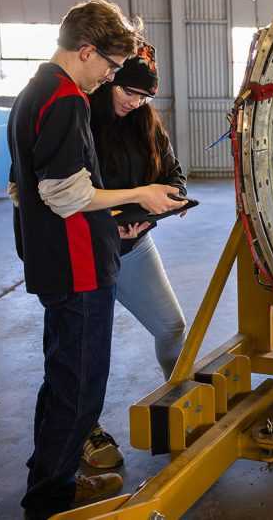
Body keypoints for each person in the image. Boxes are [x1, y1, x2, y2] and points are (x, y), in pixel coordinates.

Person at [7, 0, 183, 520]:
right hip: (77, 264)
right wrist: (143, 196)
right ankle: (52, 503)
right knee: (79, 391)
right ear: (87, 52)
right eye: (109, 68)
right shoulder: (65, 101)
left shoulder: (35, 90)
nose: (107, 78)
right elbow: (66, 194)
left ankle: (50, 480)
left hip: (56, 263)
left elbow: (29, 188)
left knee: (62, 379)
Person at [80, 43, 188, 470]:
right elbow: (70, 195)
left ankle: (179, 399)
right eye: (128, 90)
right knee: (87, 349)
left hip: (135, 246)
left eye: (144, 96)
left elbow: (175, 179)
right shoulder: (82, 119)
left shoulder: (147, 125)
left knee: (171, 326)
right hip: (89, 250)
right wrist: (110, 223)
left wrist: (153, 215)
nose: (134, 101)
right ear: (110, 79)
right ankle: (84, 429)